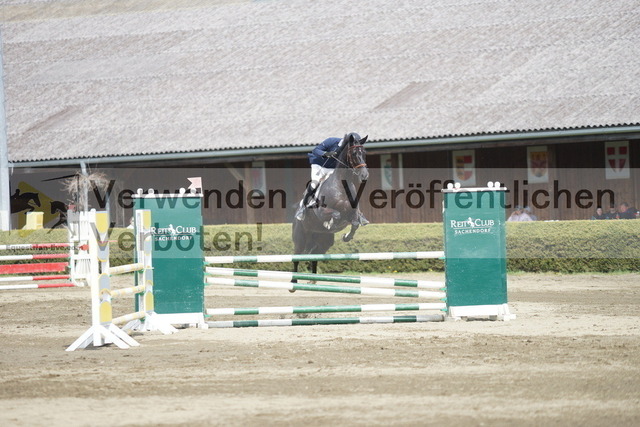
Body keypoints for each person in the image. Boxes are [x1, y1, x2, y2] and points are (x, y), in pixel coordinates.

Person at [295, 134, 369, 226]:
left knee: (349, 185)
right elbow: (315, 150)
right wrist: (325, 154)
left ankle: (359, 214)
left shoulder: (349, 150)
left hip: (332, 168)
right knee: (315, 183)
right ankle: (302, 208)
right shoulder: (331, 141)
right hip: (319, 165)